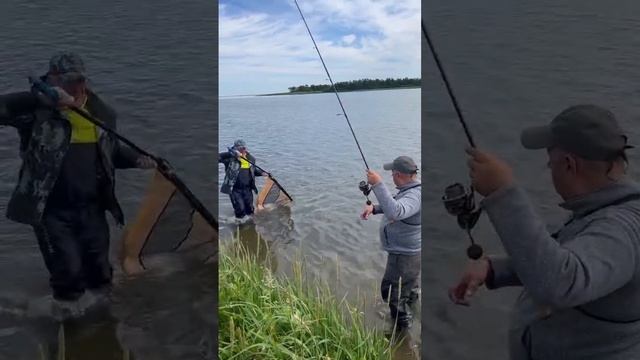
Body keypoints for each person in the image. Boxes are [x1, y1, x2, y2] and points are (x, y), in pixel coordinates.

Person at [450, 104, 640, 359]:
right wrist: (496, 269)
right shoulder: (605, 209)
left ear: (569, 165)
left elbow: (562, 282)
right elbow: (571, 261)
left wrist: (502, 193)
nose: (550, 171)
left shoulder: (620, 228)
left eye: (550, 165)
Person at [0, 52, 155, 317]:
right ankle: (66, 324)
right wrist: (41, 99)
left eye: (80, 80)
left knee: (100, 272)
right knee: (68, 272)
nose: (75, 87)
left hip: (92, 207)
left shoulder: (101, 112)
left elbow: (111, 152)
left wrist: (139, 159)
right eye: (67, 81)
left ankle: (103, 325)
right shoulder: (34, 110)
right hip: (50, 209)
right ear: (51, 79)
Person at [361, 156, 421, 331]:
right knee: (408, 289)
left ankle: (401, 334)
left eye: (392, 174)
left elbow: (396, 211)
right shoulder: (409, 189)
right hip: (407, 254)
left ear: (399, 175)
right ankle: (413, 312)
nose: (391, 177)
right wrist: (375, 208)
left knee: (392, 292)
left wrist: (378, 184)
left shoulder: (415, 195)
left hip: (404, 256)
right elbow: (394, 205)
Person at [218, 140, 268, 222]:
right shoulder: (229, 158)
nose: (243, 150)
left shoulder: (250, 158)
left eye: (244, 148)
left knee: (250, 210)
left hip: (247, 189)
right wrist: (231, 153)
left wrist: (262, 173)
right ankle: (239, 226)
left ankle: (251, 226)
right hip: (234, 189)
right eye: (240, 148)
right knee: (240, 210)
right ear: (235, 148)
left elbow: (253, 170)